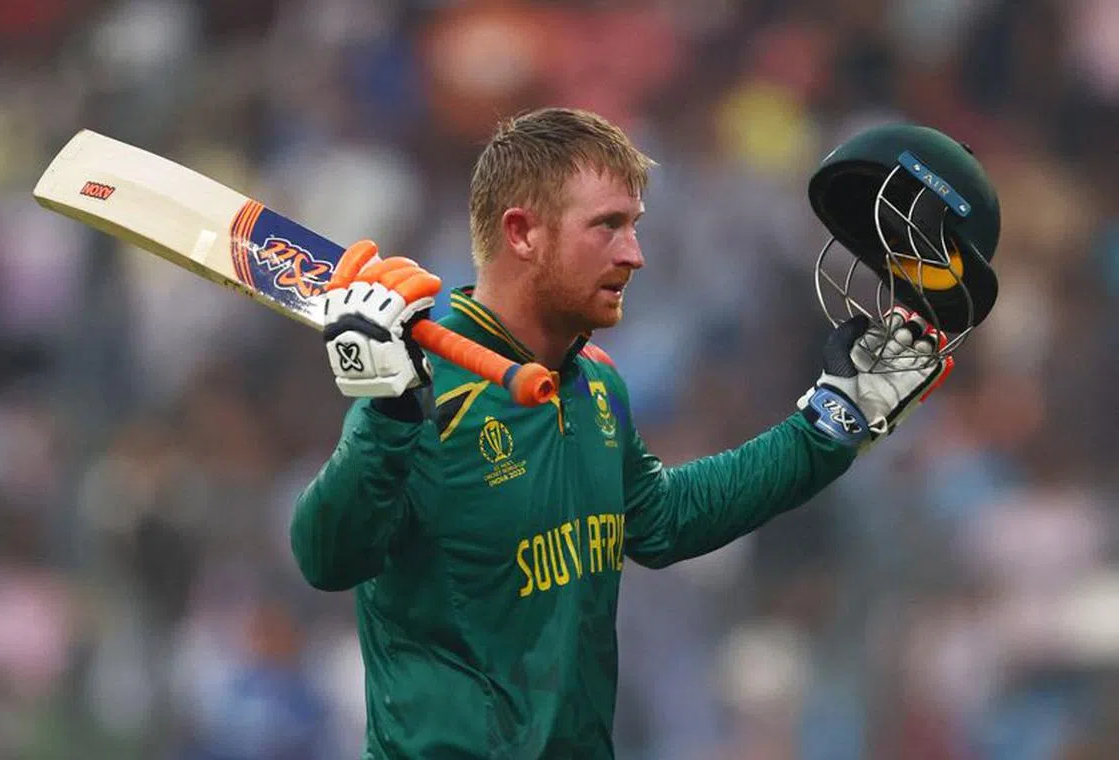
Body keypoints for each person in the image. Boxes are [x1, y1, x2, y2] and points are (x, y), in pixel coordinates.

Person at [289, 107, 951, 759]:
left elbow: (663, 520)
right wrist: (383, 413)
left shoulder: (595, 384)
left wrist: (831, 422)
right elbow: (327, 557)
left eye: (633, 227)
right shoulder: (424, 391)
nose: (634, 254)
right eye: (607, 227)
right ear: (522, 233)